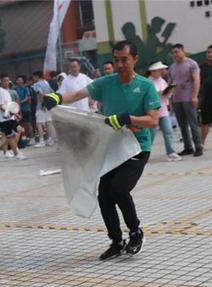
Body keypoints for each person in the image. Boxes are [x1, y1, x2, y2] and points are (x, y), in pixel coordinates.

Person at [43, 40, 160, 260]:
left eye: (124, 59)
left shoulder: (146, 86)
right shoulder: (106, 83)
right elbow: (78, 94)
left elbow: (153, 121)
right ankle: (116, 241)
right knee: (104, 195)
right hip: (112, 147)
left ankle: (135, 232)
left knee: (118, 189)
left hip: (137, 148)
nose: (120, 64)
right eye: (116, 60)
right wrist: (58, 97)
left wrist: (128, 118)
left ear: (135, 59)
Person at [168, 43, 203, 156]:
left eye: (177, 52)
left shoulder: (191, 64)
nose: (175, 54)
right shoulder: (172, 67)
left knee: (193, 123)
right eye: (173, 53)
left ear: (183, 51)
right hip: (177, 98)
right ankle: (188, 147)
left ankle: (198, 146)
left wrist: (194, 96)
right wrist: (170, 97)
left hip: (188, 97)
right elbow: (170, 82)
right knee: (182, 124)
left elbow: (196, 80)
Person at [148, 62, 181, 161]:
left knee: (168, 132)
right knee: (151, 135)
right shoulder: (148, 82)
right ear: (154, 71)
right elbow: (151, 95)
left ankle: (170, 152)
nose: (161, 71)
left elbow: (166, 95)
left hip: (163, 110)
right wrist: (161, 93)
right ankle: (144, 154)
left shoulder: (162, 80)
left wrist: (168, 91)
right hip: (153, 112)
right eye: (159, 70)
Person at [0, 73, 26, 160]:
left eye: (7, 80)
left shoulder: (7, 92)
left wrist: (15, 114)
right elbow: (0, 106)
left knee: (14, 134)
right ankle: (16, 154)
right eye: (4, 81)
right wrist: (11, 113)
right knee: (12, 135)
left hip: (9, 117)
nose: (6, 82)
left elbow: (10, 105)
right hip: (4, 119)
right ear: (1, 82)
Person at [31, 70, 57, 146]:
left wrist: (43, 104)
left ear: (37, 76)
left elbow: (41, 94)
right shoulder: (46, 82)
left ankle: (41, 141)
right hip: (49, 105)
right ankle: (51, 139)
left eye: (33, 77)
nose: (33, 78)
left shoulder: (36, 85)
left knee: (39, 123)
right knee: (49, 123)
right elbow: (52, 92)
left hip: (41, 106)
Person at [200, 45, 212, 146]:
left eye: (211, 52)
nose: (210, 54)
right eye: (208, 52)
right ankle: (201, 144)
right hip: (206, 100)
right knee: (205, 123)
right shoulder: (201, 68)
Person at [15, 75, 33, 140]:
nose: (19, 81)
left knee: (28, 123)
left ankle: (31, 138)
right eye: (18, 80)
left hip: (26, 108)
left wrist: (20, 102)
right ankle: (24, 136)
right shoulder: (16, 89)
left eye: (20, 80)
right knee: (21, 124)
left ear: (23, 81)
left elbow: (27, 97)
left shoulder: (26, 88)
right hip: (18, 110)